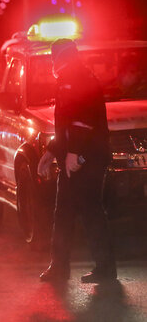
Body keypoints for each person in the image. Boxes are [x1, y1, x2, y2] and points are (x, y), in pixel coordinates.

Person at [37, 38, 116, 284]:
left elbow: (81, 122)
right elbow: (66, 124)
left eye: (53, 56)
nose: (51, 61)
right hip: (81, 157)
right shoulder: (73, 77)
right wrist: (52, 152)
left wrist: (73, 153)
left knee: (87, 212)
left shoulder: (75, 79)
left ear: (61, 57)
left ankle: (98, 268)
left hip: (86, 159)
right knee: (67, 213)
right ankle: (63, 267)